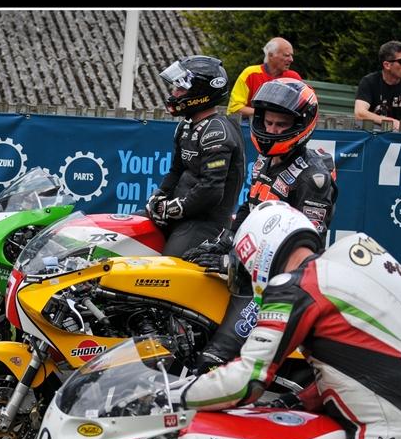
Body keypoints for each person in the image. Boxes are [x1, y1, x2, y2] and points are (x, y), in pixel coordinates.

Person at [177, 200, 401, 439]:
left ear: (260, 251)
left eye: (244, 267)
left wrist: (172, 394)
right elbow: (365, 363)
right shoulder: (344, 264)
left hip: (390, 434)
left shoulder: (297, 285)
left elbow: (246, 381)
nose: (247, 278)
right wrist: (292, 403)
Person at [184, 77, 338, 373]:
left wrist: (232, 260)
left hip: (274, 287)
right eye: (268, 122)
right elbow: (249, 208)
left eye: (281, 125)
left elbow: (303, 253)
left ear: (300, 124)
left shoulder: (312, 179)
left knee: (210, 363)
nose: (271, 130)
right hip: (245, 271)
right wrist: (225, 241)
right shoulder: (265, 162)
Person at [144, 55, 246, 257]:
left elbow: (211, 190)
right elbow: (176, 171)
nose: (174, 93)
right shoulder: (185, 126)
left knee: (165, 270)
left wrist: (170, 208)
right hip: (180, 217)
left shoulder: (217, 132)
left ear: (201, 93)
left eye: (180, 88)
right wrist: (158, 196)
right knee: (125, 235)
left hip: (206, 223)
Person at [226, 37, 301, 119]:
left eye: (291, 55)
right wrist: (267, 114)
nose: (291, 59)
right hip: (250, 125)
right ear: (271, 55)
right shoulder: (250, 74)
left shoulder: (294, 78)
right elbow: (234, 109)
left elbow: (304, 105)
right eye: (286, 55)